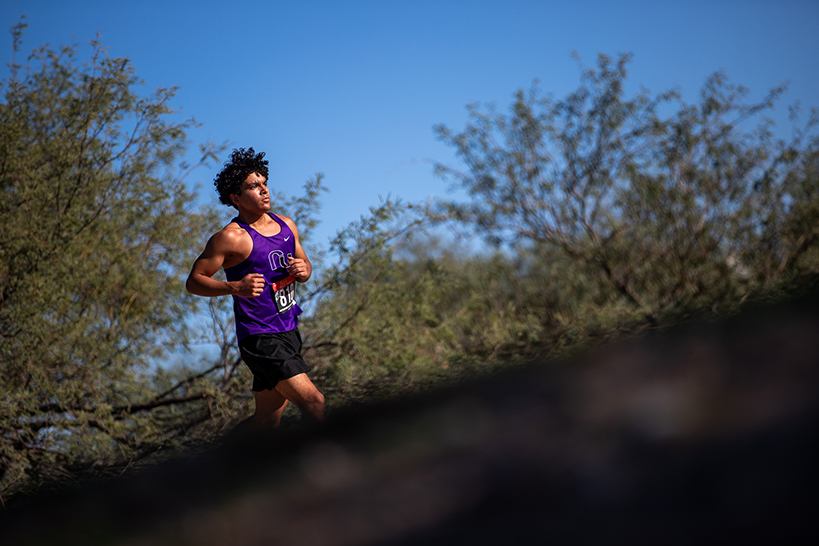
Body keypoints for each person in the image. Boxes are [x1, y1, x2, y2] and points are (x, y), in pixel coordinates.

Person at [186, 147, 324, 434]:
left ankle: (218, 462)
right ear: (236, 198)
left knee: (267, 422)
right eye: (253, 186)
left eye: (264, 183)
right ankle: (326, 470)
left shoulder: (286, 225)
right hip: (260, 338)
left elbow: (305, 263)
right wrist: (233, 287)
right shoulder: (230, 238)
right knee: (314, 402)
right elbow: (194, 280)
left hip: (288, 331)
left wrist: (304, 270)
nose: (263, 191)